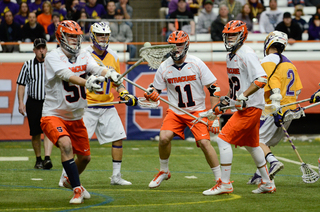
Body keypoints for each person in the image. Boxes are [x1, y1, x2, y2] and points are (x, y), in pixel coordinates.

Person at [40, 20, 123, 204]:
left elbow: (96, 68)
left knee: (85, 158)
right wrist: (87, 83)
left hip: (76, 115)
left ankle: (71, 180)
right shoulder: (53, 57)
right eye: (70, 36)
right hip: (54, 114)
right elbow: (66, 75)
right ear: (61, 37)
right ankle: (77, 189)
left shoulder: (83, 54)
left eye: (77, 36)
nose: (75, 40)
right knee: (65, 144)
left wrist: (110, 73)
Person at [59, 21, 137, 187]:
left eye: (106, 35)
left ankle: (116, 176)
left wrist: (124, 93)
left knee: (118, 138)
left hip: (107, 105)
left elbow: (118, 81)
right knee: (76, 145)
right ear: (93, 36)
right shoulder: (82, 55)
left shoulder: (114, 56)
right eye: (100, 34)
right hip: (87, 107)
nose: (103, 38)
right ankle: (65, 175)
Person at [204, 20, 276, 195]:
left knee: (222, 139)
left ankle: (225, 183)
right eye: (228, 35)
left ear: (242, 35)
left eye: (233, 35)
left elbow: (261, 79)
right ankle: (267, 183)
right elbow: (237, 86)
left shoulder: (247, 54)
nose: (229, 38)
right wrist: (224, 104)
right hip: (244, 106)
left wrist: (244, 95)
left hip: (251, 107)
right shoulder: (230, 56)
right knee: (253, 146)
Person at [145, 30, 222, 191]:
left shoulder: (196, 63)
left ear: (186, 45)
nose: (176, 48)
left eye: (179, 44)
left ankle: (220, 179)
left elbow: (214, 89)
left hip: (196, 111)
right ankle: (164, 171)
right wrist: (151, 94)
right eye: (173, 45)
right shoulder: (164, 66)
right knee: (164, 138)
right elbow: (155, 90)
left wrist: (214, 116)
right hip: (175, 111)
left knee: (204, 143)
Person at [247, 31, 303, 185]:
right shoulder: (290, 63)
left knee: (256, 140)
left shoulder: (267, 61)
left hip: (276, 108)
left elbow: (271, 85)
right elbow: (298, 90)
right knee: (267, 142)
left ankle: (273, 162)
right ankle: (259, 174)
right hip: (290, 109)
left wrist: (275, 106)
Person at [16, 38, 53, 170]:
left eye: (43, 48)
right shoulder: (27, 65)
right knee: (36, 132)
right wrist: (21, 103)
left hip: (49, 102)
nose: (41, 50)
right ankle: (38, 159)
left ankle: (47, 158)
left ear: (46, 49)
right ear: (34, 50)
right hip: (33, 102)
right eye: (39, 48)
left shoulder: (52, 64)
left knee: (48, 131)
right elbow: (21, 84)